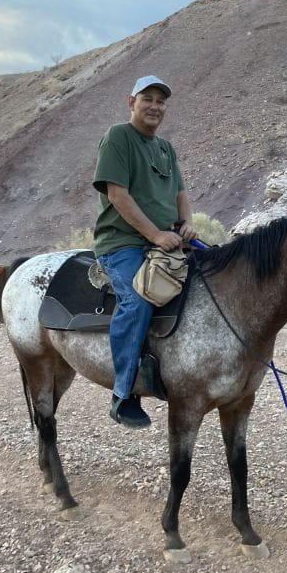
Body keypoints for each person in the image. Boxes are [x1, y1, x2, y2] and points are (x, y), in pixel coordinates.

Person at [92, 75, 197, 429]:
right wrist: (154, 234)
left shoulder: (166, 148)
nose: (155, 106)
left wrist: (187, 223)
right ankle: (123, 393)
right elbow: (118, 195)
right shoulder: (118, 137)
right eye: (147, 99)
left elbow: (181, 193)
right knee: (137, 300)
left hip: (167, 239)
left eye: (161, 101)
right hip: (123, 243)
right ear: (131, 102)